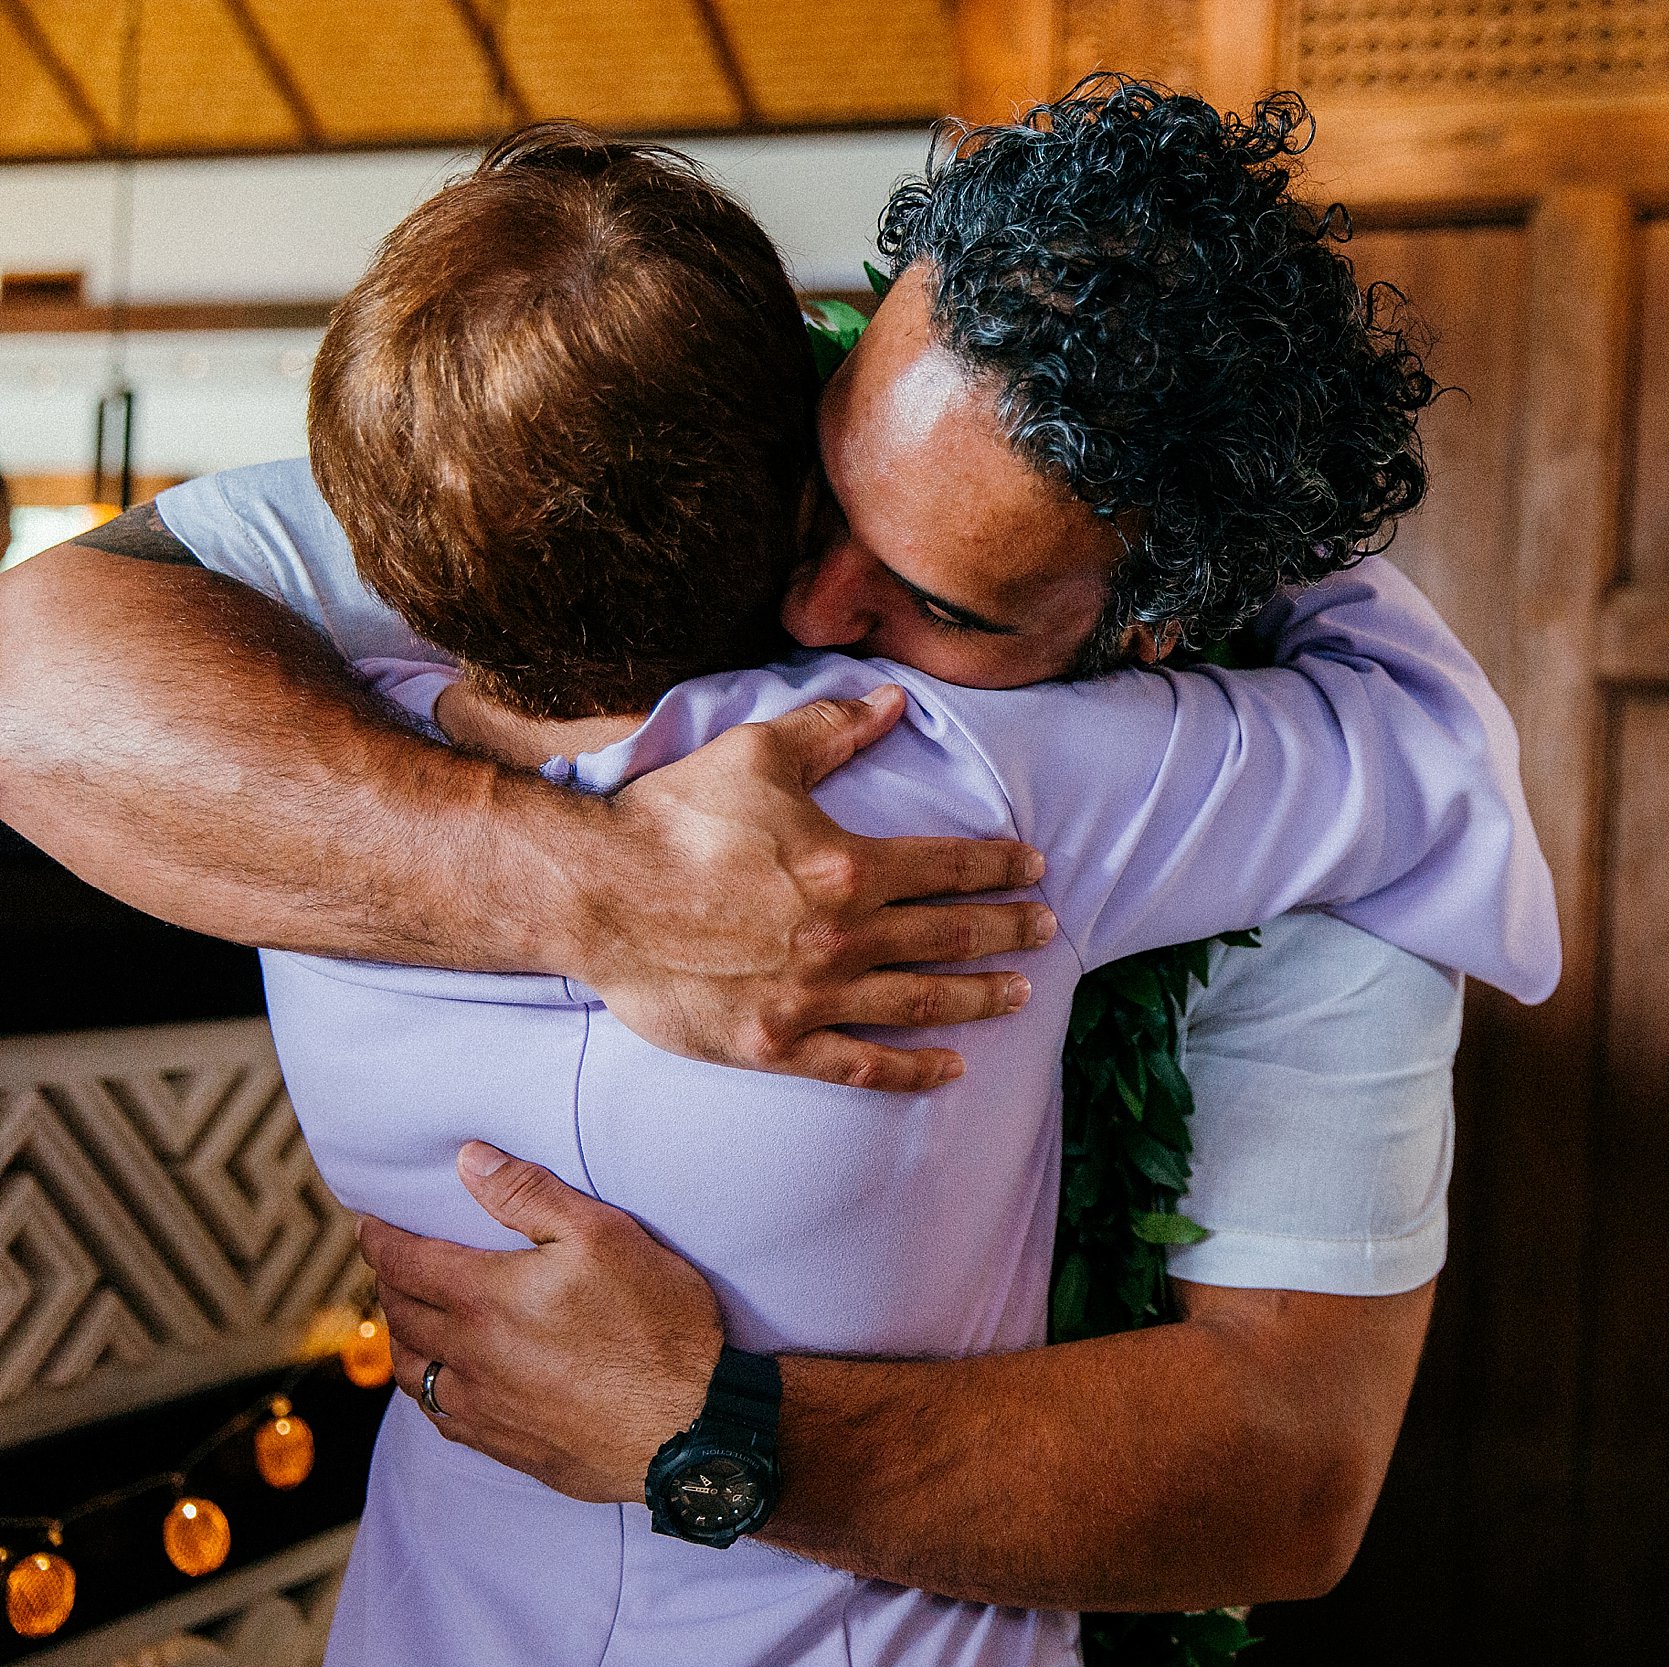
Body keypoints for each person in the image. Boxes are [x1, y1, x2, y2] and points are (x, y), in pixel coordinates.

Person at [0, 84, 1536, 1624]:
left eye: (943, 606)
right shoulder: (637, 459)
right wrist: (598, 886)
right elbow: (31, 667)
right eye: (827, 497)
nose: (803, 613)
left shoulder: (1292, 881)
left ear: (1157, 628)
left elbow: (1285, 1478)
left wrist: (717, 1430)